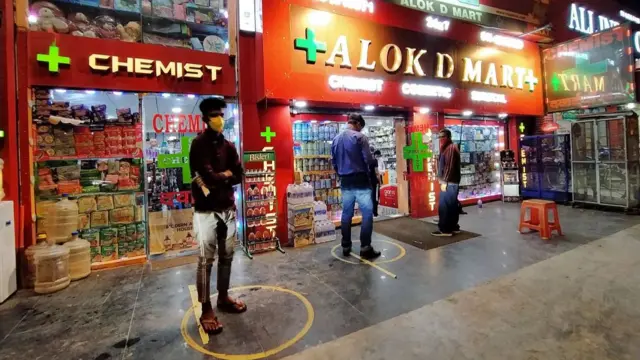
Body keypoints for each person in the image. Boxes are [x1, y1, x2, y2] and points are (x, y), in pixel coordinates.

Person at [189, 97, 245, 335]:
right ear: (205, 118)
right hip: (205, 210)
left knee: (227, 257)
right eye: (214, 115)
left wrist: (222, 176)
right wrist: (226, 175)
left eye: (221, 114)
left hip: (228, 209)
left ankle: (223, 297)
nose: (219, 119)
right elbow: (207, 178)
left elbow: (239, 175)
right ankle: (206, 308)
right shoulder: (198, 144)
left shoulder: (230, 146)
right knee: (205, 261)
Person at [331, 114, 381, 260]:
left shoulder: (336, 139)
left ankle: (346, 245)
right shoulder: (360, 137)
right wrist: (372, 163)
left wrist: (341, 172)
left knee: (346, 213)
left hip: (345, 181)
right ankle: (365, 247)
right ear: (358, 124)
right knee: (367, 213)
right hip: (361, 180)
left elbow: (333, 162)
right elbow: (368, 160)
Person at [432, 128, 461, 237]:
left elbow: (449, 167)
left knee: (444, 206)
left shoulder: (450, 148)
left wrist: (444, 181)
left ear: (448, 137)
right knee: (452, 205)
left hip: (449, 182)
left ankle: (445, 229)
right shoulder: (448, 148)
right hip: (451, 182)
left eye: (442, 137)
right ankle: (453, 226)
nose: (440, 139)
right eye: (439, 137)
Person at [369, 150, 382, 217]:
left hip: (367, 182)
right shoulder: (374, 161)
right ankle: (375, 213)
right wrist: (380, 181)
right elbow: (376, 172)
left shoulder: (365, 161)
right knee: (375, 197)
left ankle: (369, 213)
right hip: (374, 182)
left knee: (369, 197)